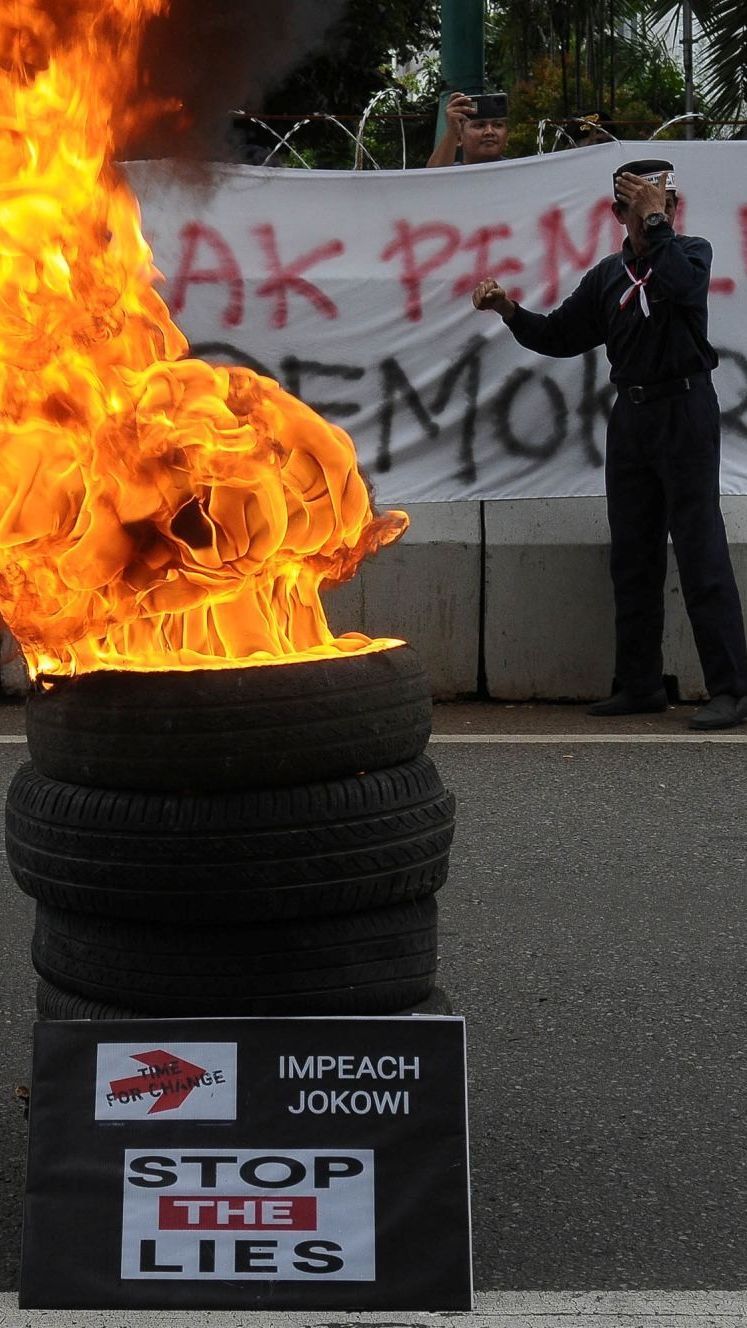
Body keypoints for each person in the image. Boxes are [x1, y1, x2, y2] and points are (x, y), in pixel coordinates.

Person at [472, 158, 747, 731]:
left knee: (700, 550)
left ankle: (732, 688)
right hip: (634, 415)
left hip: (685, 408)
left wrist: (658, 225)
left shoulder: (689, 254)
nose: (656, 215)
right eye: (643, 207)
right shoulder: (607, 276)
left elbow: (677, 286)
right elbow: (560, 335)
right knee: (633, 553)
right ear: (617, 214)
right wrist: (508, 310)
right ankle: (641, 683)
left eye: (664, 206)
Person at [426, 91, 508, 168]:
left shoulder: (518, 172)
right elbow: (433, 180)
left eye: (498, 125)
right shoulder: (450, 174)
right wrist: (452, 131)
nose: (489, 131)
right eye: (479, 125)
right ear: (459, 138)